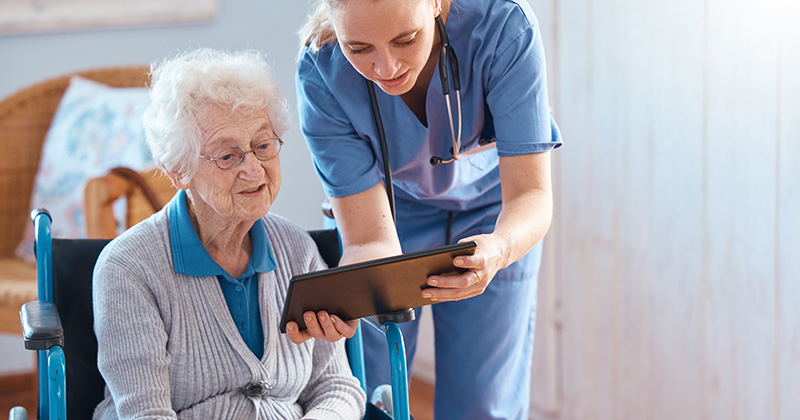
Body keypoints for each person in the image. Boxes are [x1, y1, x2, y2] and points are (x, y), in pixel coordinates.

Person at [292, 0, 562, 418]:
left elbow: (531, 196)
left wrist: (500, 249)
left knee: (483, 402)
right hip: (388, 212)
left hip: (493, 214)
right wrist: (356, 297)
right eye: (359, 48)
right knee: (374, 391)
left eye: (406, 39)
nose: (386, 68)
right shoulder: (321, 70)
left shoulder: (503, 27)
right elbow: (368, 238)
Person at [92, 48, 366, 419]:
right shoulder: (130, 268)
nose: (254, 170)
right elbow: (145, 414)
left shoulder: (298, 251)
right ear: (178, 171)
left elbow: (336, 386)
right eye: (227, 156)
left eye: (263, 145)